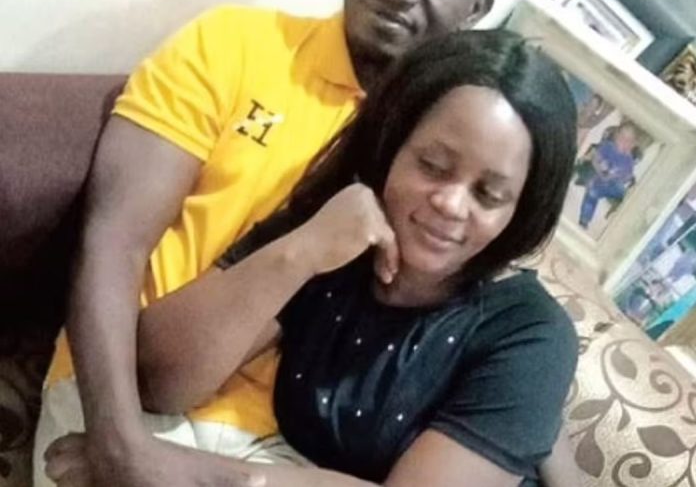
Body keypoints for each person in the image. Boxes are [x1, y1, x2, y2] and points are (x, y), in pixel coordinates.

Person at [44, 29, 580, 487]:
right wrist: (300, 252)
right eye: (433, 166)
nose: (451, 203)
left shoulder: (531, 335)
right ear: (394, 143)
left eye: (489, 195)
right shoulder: (342, 227)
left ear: (522, 209)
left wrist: (169, 470)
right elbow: (161, 380)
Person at [578, 121, 638, 229]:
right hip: (600, 178)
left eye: (628, 141)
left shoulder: (629, 160)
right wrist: (600, 169)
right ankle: (584, 219)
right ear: (616, 136)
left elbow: (627, 177)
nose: (624, 142)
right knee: (592, 192)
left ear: (632, 145)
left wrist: (621, 177)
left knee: (621, 190)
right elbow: (595, 159)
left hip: (615, 185)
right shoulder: (607, 147)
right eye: (622, 137)